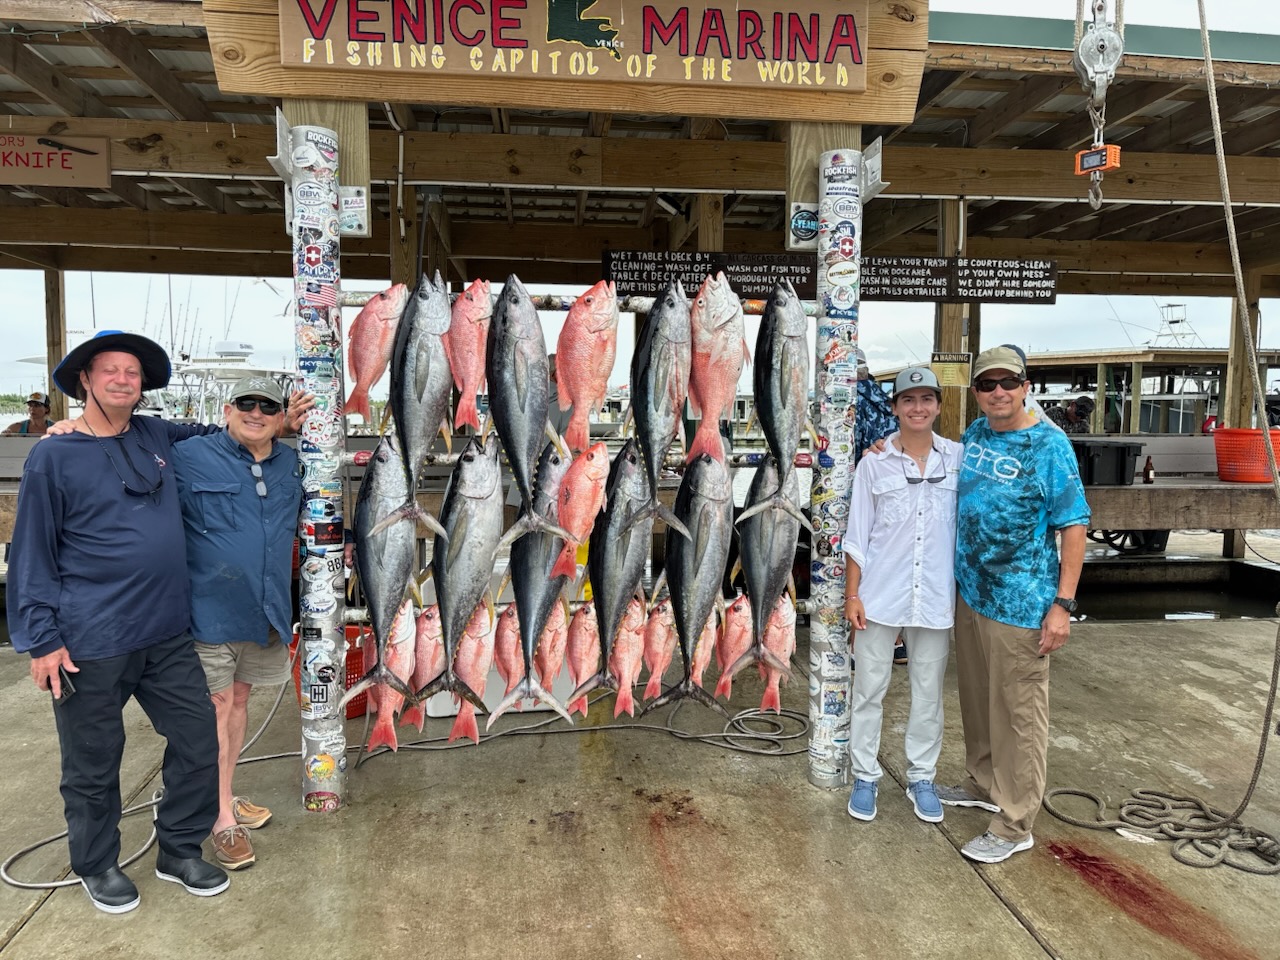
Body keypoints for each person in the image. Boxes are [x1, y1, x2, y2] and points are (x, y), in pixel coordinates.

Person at [6, 331, 229, 914]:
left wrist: (274, 424)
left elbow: (218, 436)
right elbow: (30, 553)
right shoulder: (52, 455)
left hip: (167, 633)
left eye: (132, 371)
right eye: (110, 370)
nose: (123, 379)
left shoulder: (156, 433)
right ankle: (97, 863)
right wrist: (41, 641)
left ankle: (179, 848)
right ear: (84, 379)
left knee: (199, 740)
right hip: (89, 641)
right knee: (93, 761)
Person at [936, 345, 1090, 863]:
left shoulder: (1050, 446)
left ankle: (1016, 820)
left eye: (1008, 382)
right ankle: (984, 782)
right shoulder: (976, 433)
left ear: (1026, 387)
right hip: (971, 594)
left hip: (1023, 604)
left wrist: (1062, 605)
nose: (998, 392)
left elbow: (1074, 524)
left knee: (1019, 714)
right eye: (987, 384)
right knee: (977, 701)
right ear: (976, 393)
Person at [172, 376, 305, 871]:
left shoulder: (292, 462)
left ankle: (223, 792)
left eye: (267, 406)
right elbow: (132, 435)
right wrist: (69, 429)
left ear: (280, 415)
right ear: (228, 409)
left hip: (265, 610)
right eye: (246, 404)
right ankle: (220, 818)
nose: (256, 412)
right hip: (207, 612)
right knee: (216, 708)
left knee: (240, 703)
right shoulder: (189, 455)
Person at [842, 367, 962, 824]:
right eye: (908, 400)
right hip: (879, 595)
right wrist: (853, 595)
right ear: (894, 408)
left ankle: (922, 776)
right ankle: (865, 775)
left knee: (927, 693)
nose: (918, 408)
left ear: (937, 406)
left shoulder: (959, 458)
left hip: (933, 598)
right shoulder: (872, 462)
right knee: (869, 690)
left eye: (926, 399)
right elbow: (857, 535)